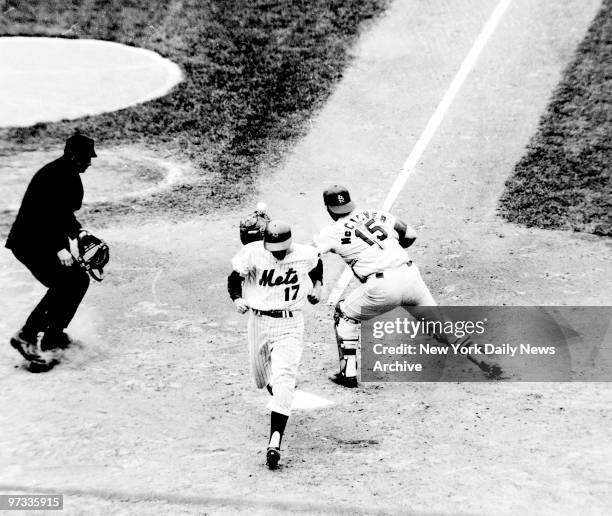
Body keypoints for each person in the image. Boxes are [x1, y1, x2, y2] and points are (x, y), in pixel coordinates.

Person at [313, 185, 472, 387]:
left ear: (328, 208)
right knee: (438, 322)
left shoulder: (330, 232)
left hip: (382, 288)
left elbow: (312, 257)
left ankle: (348, 374)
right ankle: (484, 360)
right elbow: (411, 235)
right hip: (410, 276)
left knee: (345, 314)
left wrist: (316, 284)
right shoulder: (377, 214)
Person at [228, 220, 323, 469]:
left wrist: (318, 287)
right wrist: (237, 298)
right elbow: (233, 279)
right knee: (261, 379)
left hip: (290, 323)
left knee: (284, 378)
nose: (278, 253)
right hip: (258, 322)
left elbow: (316, 265)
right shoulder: (253, 253)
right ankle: (279, 392)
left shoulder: (304, 253)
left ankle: (275, 441)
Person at [6, 132, 97, 365]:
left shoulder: (69, 173)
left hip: (44, 240)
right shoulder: (54, 175)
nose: (89, 162)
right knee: (64, 283)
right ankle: (26, 336)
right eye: (86, 157)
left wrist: (80, 233)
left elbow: (62, 214)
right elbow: (42, 215)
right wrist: (59, 248)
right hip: (30, 242)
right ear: (73, 155)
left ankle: (53, 337)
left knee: (78, 280)